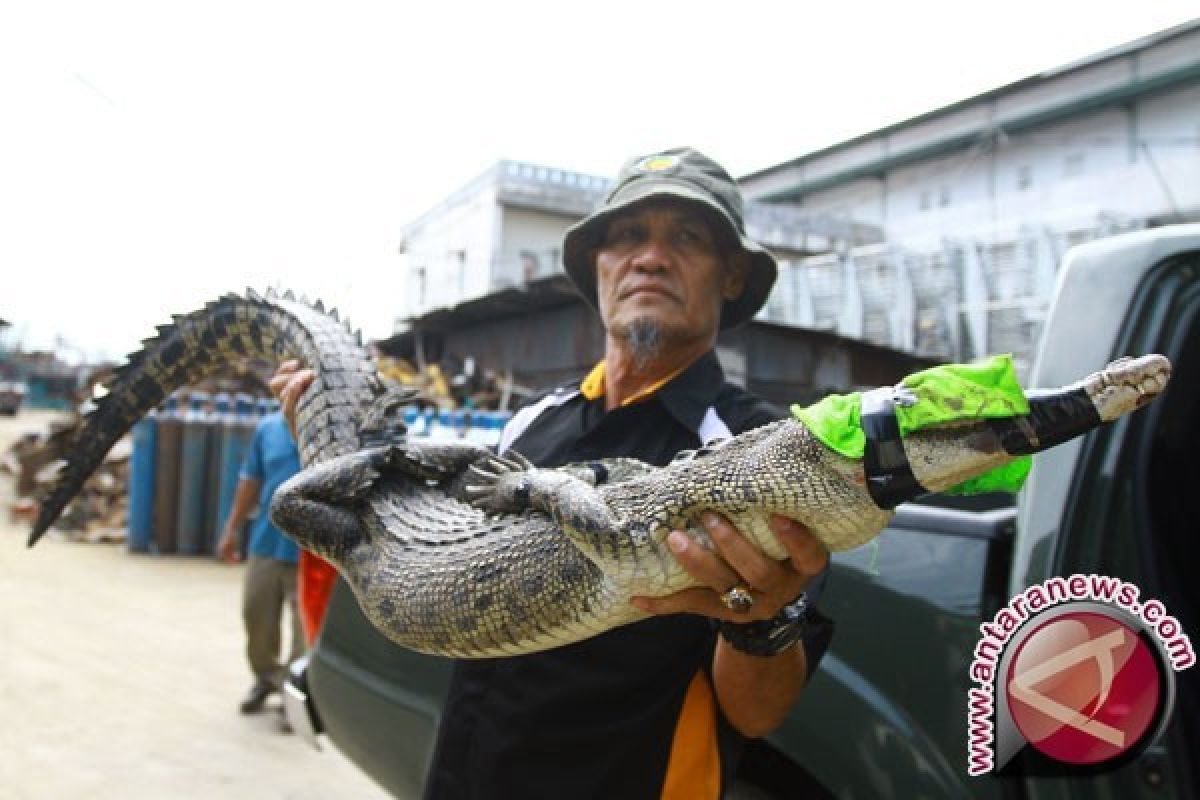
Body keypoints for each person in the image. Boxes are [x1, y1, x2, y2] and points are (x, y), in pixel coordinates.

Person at [272, 147, 834, 799]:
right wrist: (330, 440)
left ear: (732, 275)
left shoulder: (758, 453)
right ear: (598, 266)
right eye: (627, 235)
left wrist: (759, 619)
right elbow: (430, 544)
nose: (649, 257)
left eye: (687, 237)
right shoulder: (532, 421)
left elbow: (757, 715)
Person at [217, 410, 305, 715]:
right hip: (267, 542)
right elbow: (250, 480)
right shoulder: (268, 429)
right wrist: (232, 528)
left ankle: (293, 695)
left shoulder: (324, 430)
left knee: (304, 631)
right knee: (256, 616)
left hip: (310, 551)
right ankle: (266, 678)